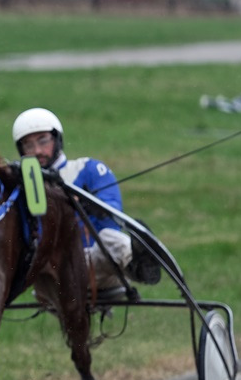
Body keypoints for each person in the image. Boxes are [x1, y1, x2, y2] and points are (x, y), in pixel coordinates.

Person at [12, 108, 158, 290]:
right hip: (50, 271)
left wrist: (89, 205)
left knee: (111, 238)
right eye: (28, 145)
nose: (37, 151)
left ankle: (141, 266)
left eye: (43, 140)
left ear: (57, 139)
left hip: (94, 262)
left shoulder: (88, 169)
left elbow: (113, 212)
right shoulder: (20, 184)